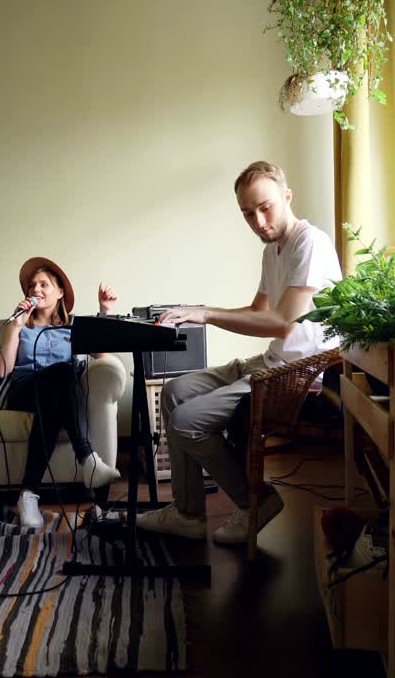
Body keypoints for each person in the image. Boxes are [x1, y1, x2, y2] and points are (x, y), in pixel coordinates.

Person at [136, 161, 343, 546]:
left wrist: (206, 314)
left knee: (186, 420)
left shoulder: (310, 243)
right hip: (274, 361)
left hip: (302, 373)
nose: (258, 222)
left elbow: (282, 323)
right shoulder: (273, 251)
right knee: (174, 391)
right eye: (248, 214)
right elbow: (257, 311)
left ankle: (256, 500)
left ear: (287, 197)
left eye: (266, 208)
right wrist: (197, 312)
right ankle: (187, 513)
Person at [0, 257, 121, 528]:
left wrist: (104, 311)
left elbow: (102, 354)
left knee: (54, 396)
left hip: (56, 394)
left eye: (44, 284)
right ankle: (87, 458)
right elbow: (2, 371)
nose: (36, 289)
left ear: (60, 292)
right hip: (25, 389)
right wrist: (14, 326)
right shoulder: (18, 325)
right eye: (32, 285)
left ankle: (28, 495)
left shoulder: (72, 326)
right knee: (63, 372)